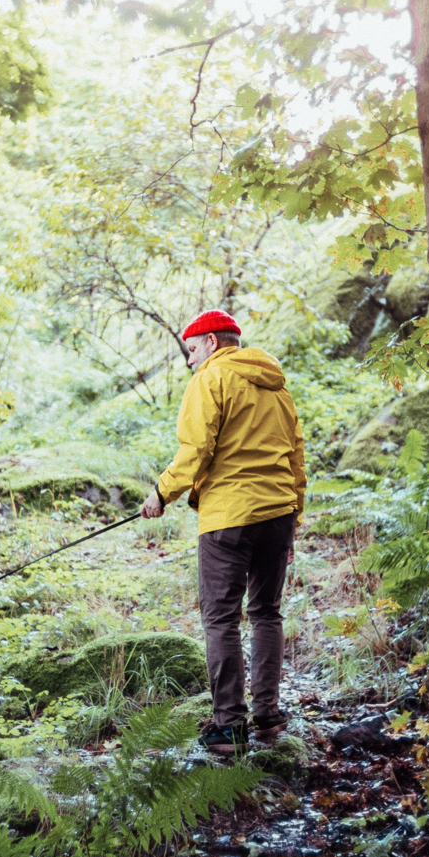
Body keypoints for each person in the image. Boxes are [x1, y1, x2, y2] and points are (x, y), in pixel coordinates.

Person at [140, 309, 306, 755]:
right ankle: (268, 716)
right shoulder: (277, 387)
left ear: (213, 342)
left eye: (191, 350)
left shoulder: (210, 381)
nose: (189, 361)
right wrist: (294, 521)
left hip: (228, 519)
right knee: (267, 613)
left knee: (220, 619)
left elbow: (196, 449)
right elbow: (296, 460)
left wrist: (161, 493)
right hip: (277, 514)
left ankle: (229, 727)